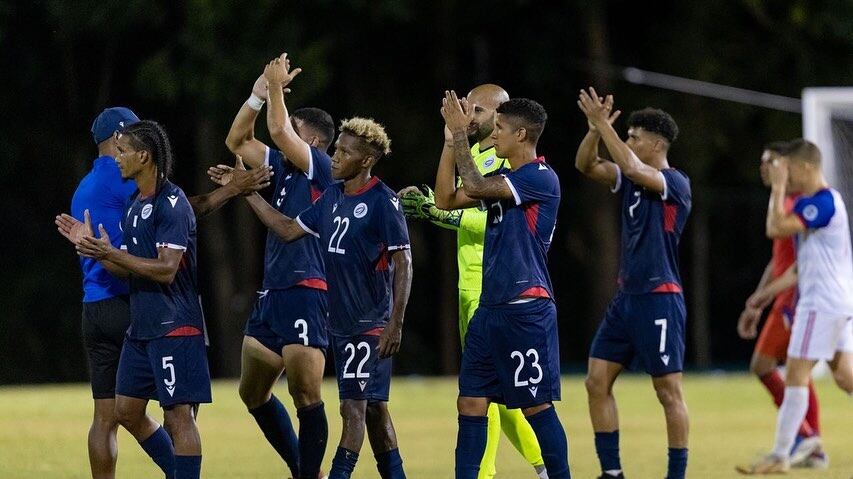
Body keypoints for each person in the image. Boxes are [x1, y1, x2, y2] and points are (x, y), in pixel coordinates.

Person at [238, 117, 412, 479]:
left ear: (366, 160)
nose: (335, 157)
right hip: (341, 324)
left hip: (371, 323)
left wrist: (394, 323)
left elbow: (404, 261)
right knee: (374, 412)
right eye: (336, 149)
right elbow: (288, 229)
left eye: (345, 152)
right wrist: (248, 193)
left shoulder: (383, 200)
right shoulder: (332, 196)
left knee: (353, 411)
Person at [398, 83, 546, 479]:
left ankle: (486, 473)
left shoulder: (505, 160)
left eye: (478, 111)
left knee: (489, 395)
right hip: (471, 286)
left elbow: (487, 218)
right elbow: (450, 201)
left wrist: (434, 212)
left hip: (495, 288)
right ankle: (544, 468)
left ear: (501, 116)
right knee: (495, 396)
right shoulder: (475, 153)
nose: (470, 116)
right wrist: (449, 150)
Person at [437, 92, 568, 479]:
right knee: (470, 403)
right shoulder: (505, 180)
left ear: (521, 135)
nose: (493, 135)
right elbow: (445, 199)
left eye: (500, 129)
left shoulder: (540, 177)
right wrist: (450, 144)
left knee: (536, 406)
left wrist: (460, 135)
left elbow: (475, 186)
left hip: (526, 308)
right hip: (490, 309)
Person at [70, 120, 212, 479]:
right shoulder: (134, 204)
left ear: (144, 156)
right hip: (142, 327)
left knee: (178, 417)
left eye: (123, 151)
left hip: (174, 325)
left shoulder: (172, 203)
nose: (117, 158)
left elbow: (166, 269)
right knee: (126, 410)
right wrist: (97, 251)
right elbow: (129, 270)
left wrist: (112, 254)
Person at [218, 53, 335, 479]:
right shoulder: (283, 170)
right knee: (253, 393)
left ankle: (309, 474)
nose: (284, 134)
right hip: (273, 294)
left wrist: (273, 89)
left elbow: (279, 130)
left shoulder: (320, 169)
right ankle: (304, 470)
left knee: (306, 395)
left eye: (295, 132)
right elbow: (237, 141)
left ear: (313, 142)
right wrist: (256, 96)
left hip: (308, 291)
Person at [575, 88, 691, 479]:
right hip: (626, 300)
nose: (627, 141)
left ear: (656, 144)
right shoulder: (627, 179)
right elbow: (586, 164)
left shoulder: (675, 182)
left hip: (660, 298)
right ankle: (612, 473)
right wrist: (595, 130)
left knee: (668, 391)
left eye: (634, 136)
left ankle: (676, 475)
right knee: (596, 381)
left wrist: (605, 125)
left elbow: (635, 168)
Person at [736, 139, 853, 474]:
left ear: (804, 168)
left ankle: (780, 454)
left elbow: (775, 228)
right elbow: (800, 268)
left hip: (821, 305)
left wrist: (778, 188)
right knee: (845, 377)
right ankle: (787, 452)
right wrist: (763, 296)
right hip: (836, 303)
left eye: (788, 170)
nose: (785, 177)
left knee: (796, 375)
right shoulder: (818, 205)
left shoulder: (823, 203)